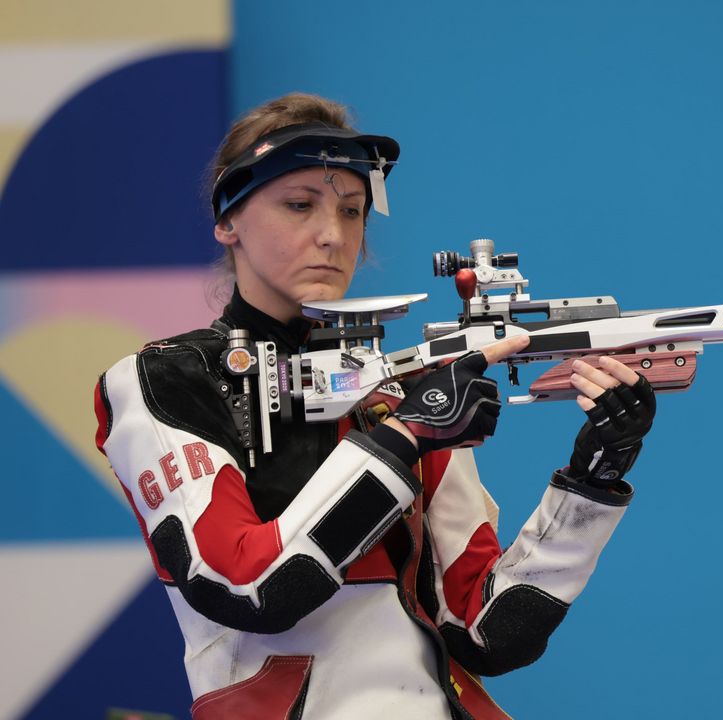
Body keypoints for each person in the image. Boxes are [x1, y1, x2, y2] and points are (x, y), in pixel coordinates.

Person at [93, 93, 656, 719]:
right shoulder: (163, 378)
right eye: (299, 205)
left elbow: (487, 632)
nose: (333, 235)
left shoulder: (397, 390)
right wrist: (407, 434)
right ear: (228, 221)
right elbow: (244, 586)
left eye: (353, 211)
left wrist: (592, 480)